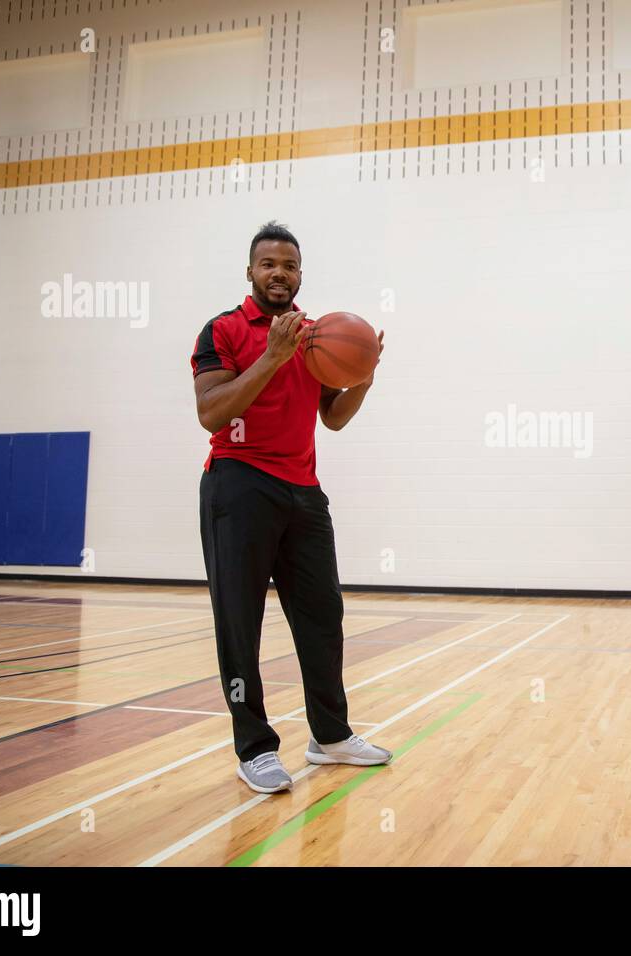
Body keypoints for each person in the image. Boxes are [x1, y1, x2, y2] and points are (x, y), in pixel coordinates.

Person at [190, 221, 392, 795]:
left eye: (291, 266)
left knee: (324, 617)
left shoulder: (317, 335)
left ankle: (330, 737)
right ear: (250, 272)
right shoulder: (223, 330)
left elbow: (333, 416)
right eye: (269, 264)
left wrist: (366, 375)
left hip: (304, 491)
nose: (280, 274)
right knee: (240, 623)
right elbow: (211, 411)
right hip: (238, 484)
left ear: (301, 275)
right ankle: (254, 748)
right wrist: (273, 357)